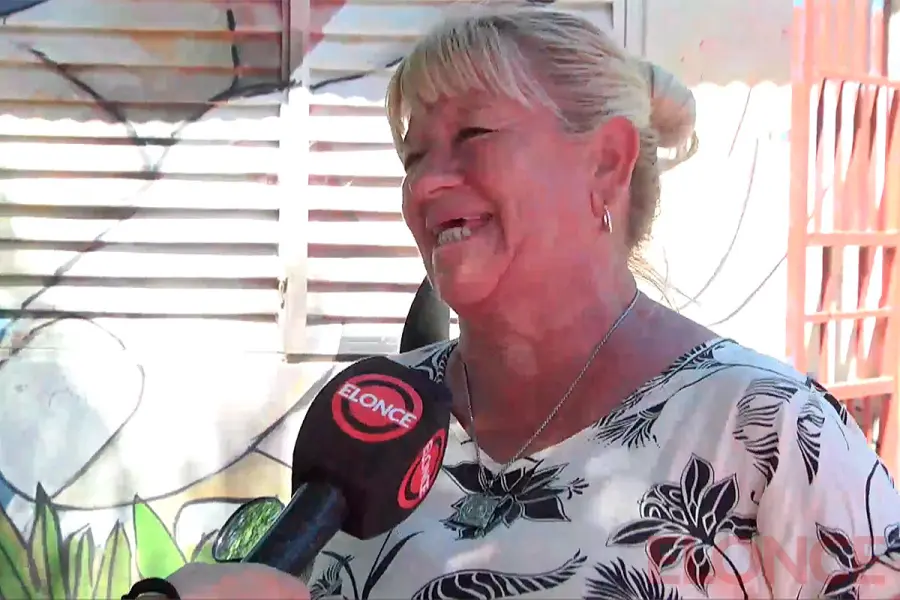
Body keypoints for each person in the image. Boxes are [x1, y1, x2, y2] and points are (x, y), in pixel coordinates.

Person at [157, 6, 900, 600]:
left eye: (473, 134)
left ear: (606, 163)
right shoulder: (377, 411)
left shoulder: (773, 434)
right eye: (413, 155)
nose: (424, 184)